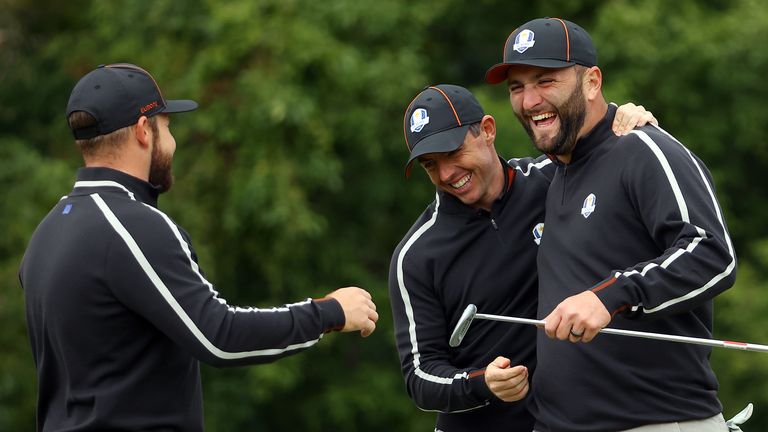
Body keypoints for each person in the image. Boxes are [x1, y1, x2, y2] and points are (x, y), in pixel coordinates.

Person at [19, 63, 379, 432]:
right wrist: (328, 312)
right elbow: (219, 337)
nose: (172, 143)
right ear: (145, 131)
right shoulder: (134, 225)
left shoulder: (47, 232)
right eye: (168, 127)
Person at [485, 18, 736, 432]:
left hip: (657, 421)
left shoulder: (644, 149)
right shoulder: (544, 175)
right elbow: (466, 181)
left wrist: (612, 295)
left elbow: (712, 253)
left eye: (545, 81)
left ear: (592, 82)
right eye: (517, 87)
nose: (529, 101)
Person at [388, 84, 656, 431]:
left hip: (574, 418)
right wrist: (481, 382)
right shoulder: (416, 255)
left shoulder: (553, 180)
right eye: (430, 165)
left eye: (453, 153)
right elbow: (420, 376)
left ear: (487, 130)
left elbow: (605, 154)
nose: (445, 175)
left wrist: (624, 119)